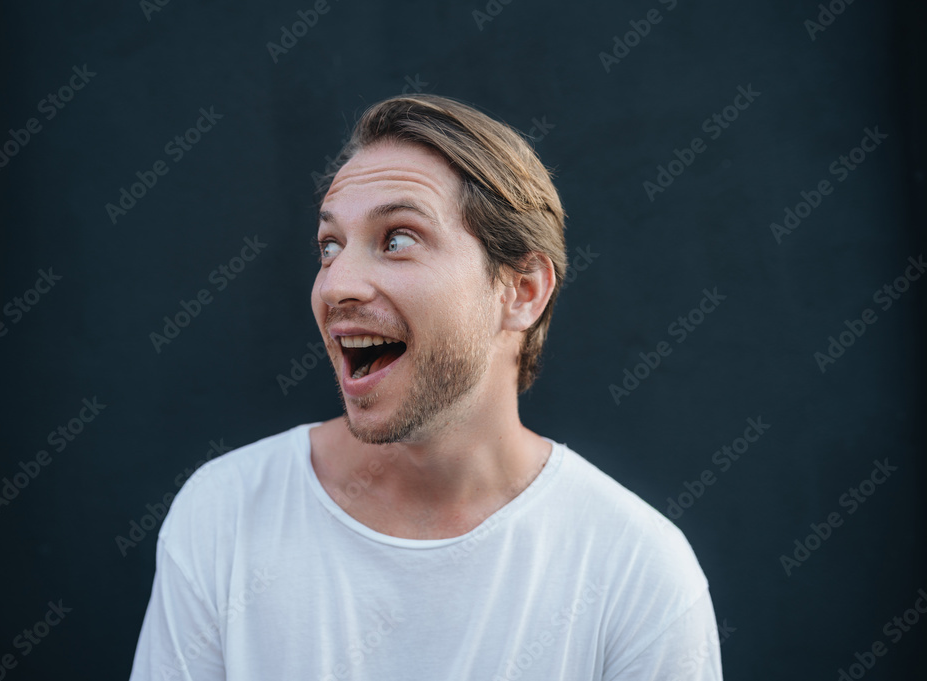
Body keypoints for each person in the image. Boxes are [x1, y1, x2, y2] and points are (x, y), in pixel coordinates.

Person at [129, 93, 724, 680]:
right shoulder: (224, 516)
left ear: (521, 291)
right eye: (330, 246)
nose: (336, 285)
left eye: (397, 239)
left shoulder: (638, 574)